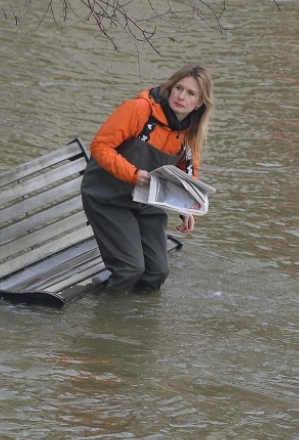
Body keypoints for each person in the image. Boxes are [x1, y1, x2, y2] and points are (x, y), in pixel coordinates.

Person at [80, 66, 214, 293]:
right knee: (130, 269)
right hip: (107, 197)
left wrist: (186, 207)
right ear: (171, 87)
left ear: (200, 102)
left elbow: (187, 172)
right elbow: (100, 146)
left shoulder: (190, 132)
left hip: (145, 201)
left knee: (157, 272)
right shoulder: (139, 109)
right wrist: (133, 174)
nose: (181, 96)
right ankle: (106, 308)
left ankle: (133, 312)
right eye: (179, 88)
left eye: (190, 93)